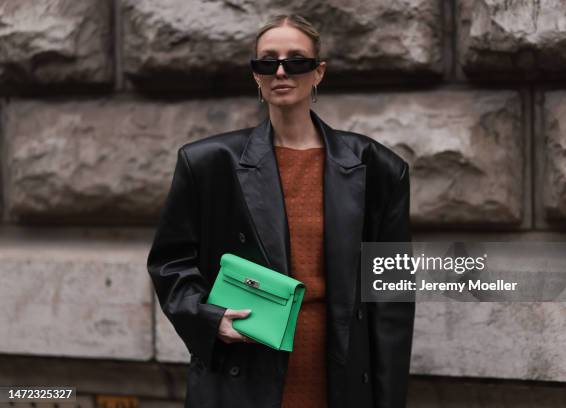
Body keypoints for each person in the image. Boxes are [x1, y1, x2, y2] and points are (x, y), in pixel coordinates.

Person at [146, 13, 415, 408]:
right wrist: (208, 316)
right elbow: (170, 262)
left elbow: (392, 300)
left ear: (319, 72)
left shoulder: (379, 168)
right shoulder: (207, 163)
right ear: (256, 75)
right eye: (267, 61)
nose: (281, 71)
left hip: (339, 373)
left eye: (297, 60)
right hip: (245, 365)